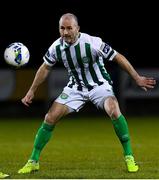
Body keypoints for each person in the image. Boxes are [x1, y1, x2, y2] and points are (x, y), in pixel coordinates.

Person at [18, 13, 156, 174]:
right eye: (62, 28)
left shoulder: (93, 42)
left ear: (78, 29)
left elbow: (118, 57)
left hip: (99, 85)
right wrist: (31, 91)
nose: (65, 32)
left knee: (113, 109)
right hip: (75, 88)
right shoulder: (56, 46)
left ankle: (129, 157)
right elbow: (45, 67)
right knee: (50, 117)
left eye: (69, 28)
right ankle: (33, 161)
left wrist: (137, 78)